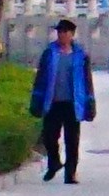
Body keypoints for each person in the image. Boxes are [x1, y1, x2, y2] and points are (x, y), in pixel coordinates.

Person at [29, 20, 95, 182]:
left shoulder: (81, 55)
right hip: (53, 102)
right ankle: (54, 162)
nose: (62, 35)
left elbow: (87, 80)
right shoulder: (50, 53)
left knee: (72, 140)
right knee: (49, 136)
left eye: (65, 32)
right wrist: (36, 99)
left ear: (72, 34)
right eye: (60, 32)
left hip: (73, 103)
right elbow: (41, 77)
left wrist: (90, 102)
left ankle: (71, 173)